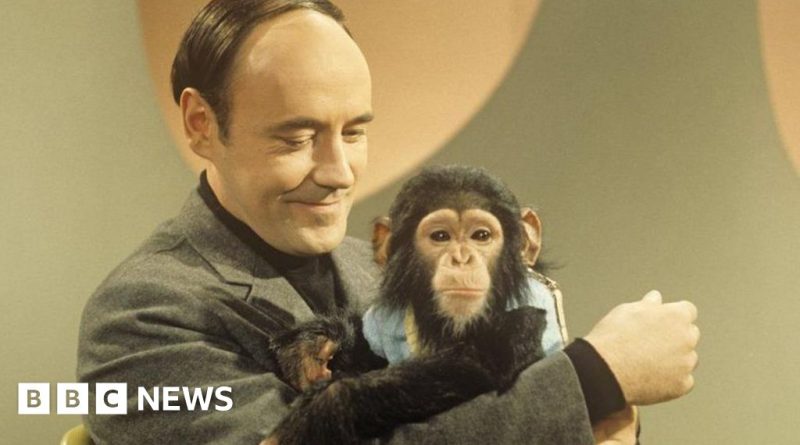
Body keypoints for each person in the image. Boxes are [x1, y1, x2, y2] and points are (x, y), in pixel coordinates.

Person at [77, 1, 700, 444]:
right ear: (201, 124)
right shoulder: (140, 316)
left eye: (353, 132)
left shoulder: (385, 272)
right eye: (296, 137)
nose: (339, 170)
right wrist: (597, 379)